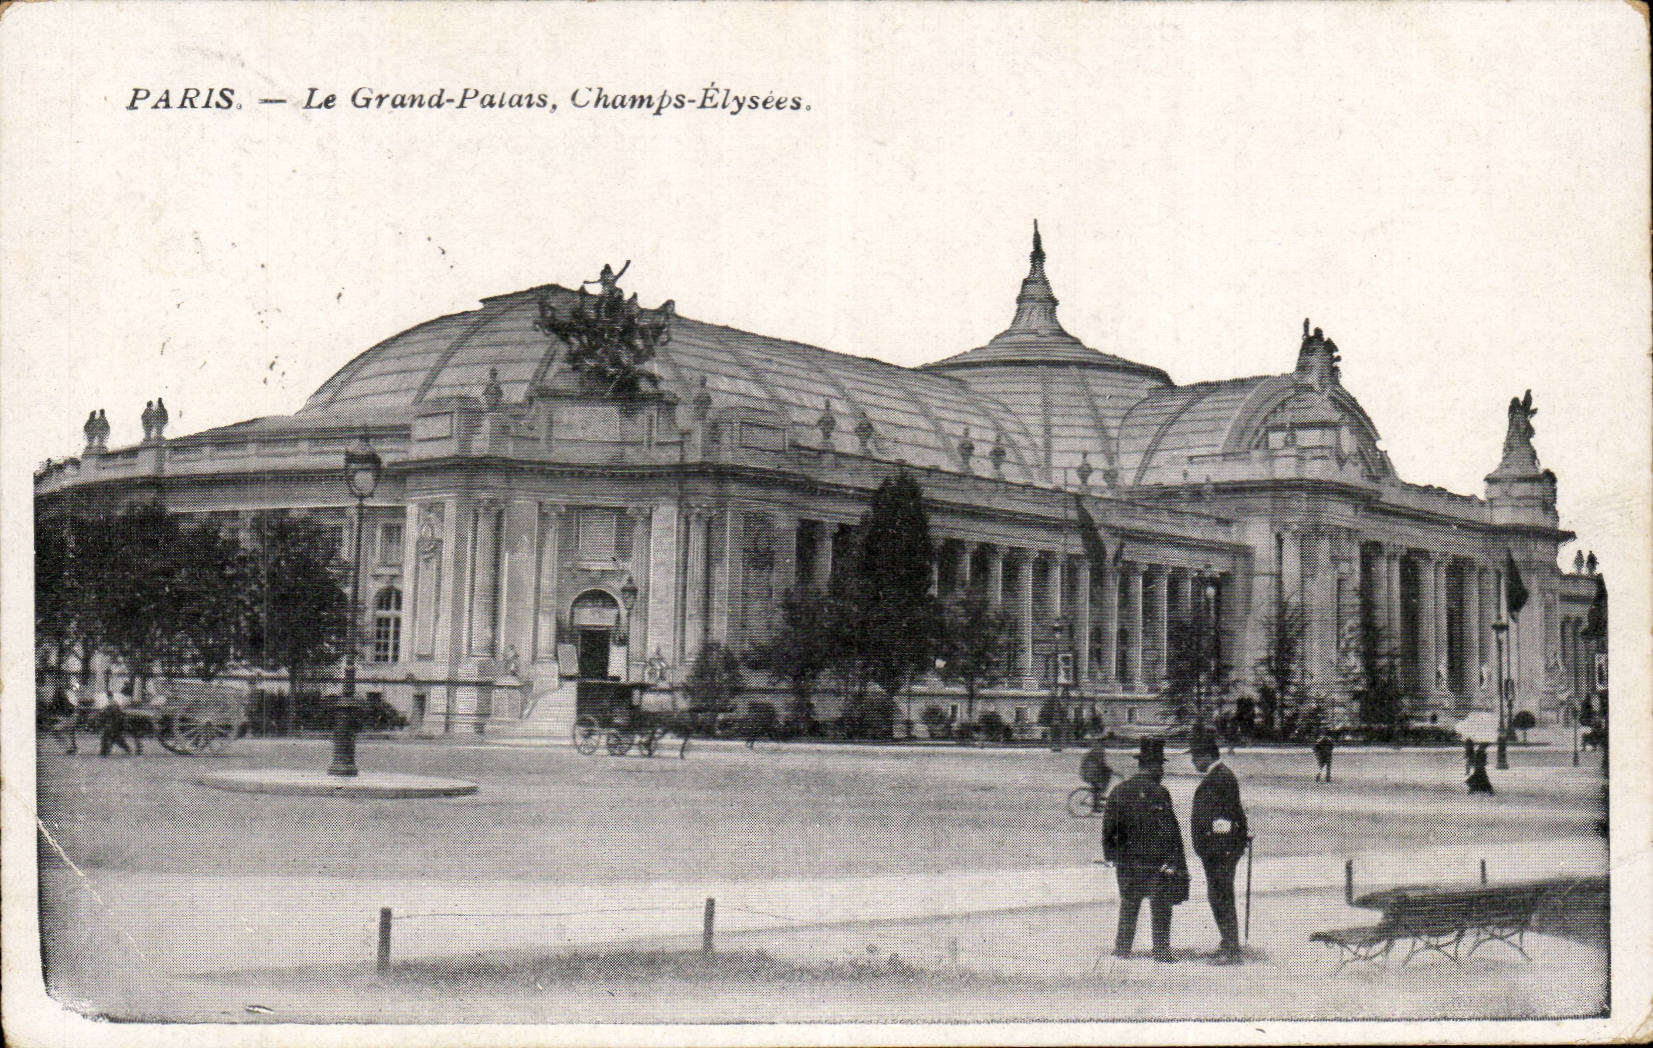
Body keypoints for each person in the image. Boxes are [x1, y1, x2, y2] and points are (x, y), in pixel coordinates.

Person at [1102, 737, 1188, 962]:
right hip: (1155, 863)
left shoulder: (1119, 790)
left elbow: (1109, 829)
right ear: (1155, 766)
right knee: (1161, 906)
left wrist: (1113, 857)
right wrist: (1177, 861)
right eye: (1161, 766)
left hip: (1128, 863)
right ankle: (1160, 951)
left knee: (1129, 904)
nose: (1162, 771)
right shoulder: (1160, 792)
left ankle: (1122, 949)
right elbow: (1171, 830)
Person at [1190, 737, 1249, 964]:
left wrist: (1218, 850)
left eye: (1196, 757)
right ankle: (1227, 942)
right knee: (1219, 895)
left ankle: (1231, 949)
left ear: (1207, 756)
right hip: (1218, 850)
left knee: (1221, 896)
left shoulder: (1220, 777)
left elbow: (1225, 818)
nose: (1194, 762)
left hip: (1220, 851)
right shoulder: (1220, 775)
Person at [1079, 739, 1114, 812]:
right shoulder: (1098, 752)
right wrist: (1108, 770)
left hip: (1090, 772)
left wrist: (1108, 770)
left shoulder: (1097, 751)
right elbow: (1101, 764)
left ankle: (1099, 797)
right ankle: (1095, 805)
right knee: (1098, 785)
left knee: (1105, 778)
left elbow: (1101, 764)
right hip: (1090, 773)